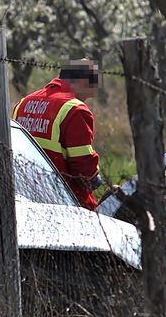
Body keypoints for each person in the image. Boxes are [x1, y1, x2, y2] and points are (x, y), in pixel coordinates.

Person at [13, 58, 102, 210]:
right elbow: (83, 166)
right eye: (94, 82)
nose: (96, 89)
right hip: (65, 201)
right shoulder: (76, 110)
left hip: (24, 195)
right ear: (82, 80)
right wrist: (95, 177)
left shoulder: (23, 103)